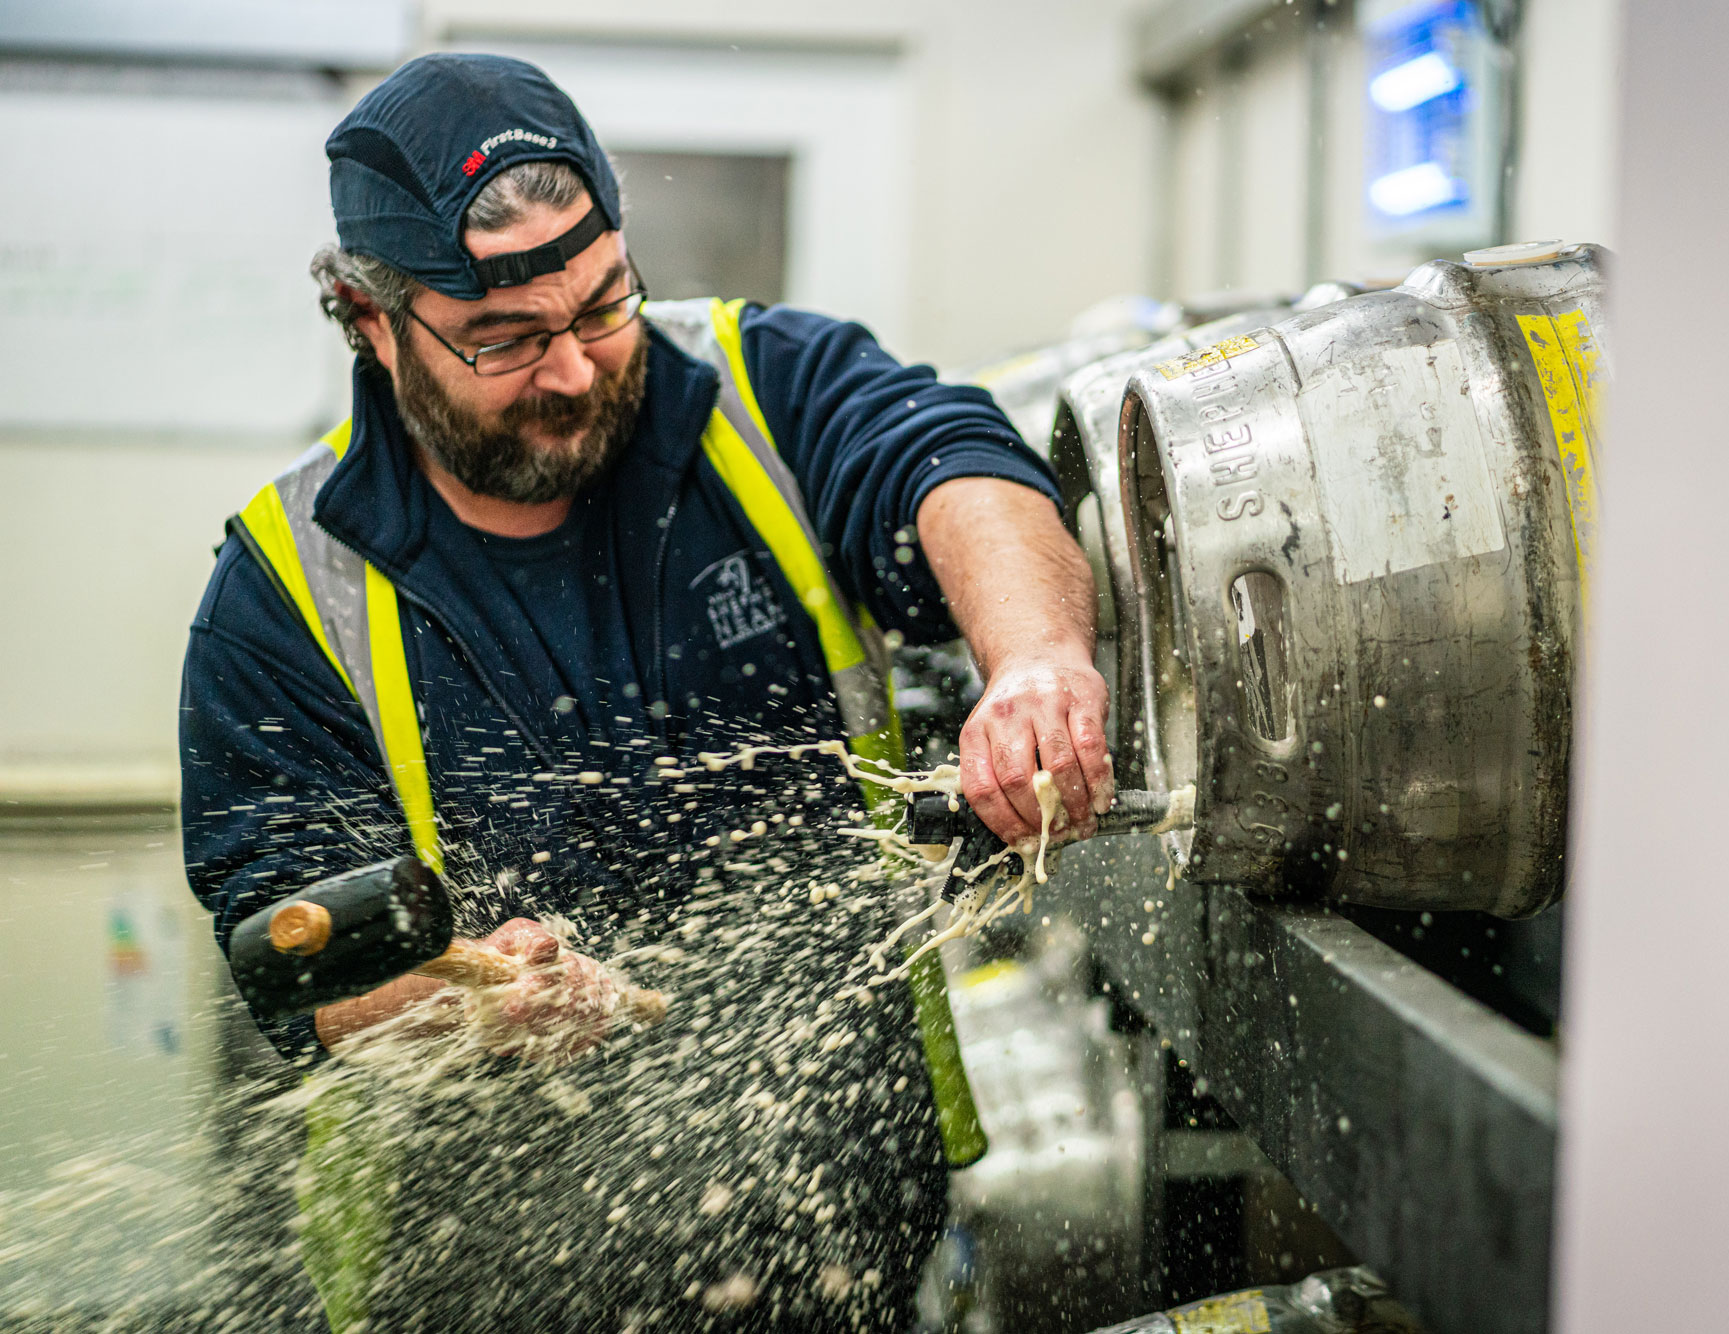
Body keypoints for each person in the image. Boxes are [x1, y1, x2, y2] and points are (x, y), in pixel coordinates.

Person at [180, 52, 1111, 1333]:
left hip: (846, 1246)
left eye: (602, 304)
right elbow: (290, 948)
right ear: (372, 321)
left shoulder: (765, 392)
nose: (571, 368)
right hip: (485, 1278)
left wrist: (1036, 660)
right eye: (503, 337)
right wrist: (463, 1000)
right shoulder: (287, 585)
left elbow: (950, 461)